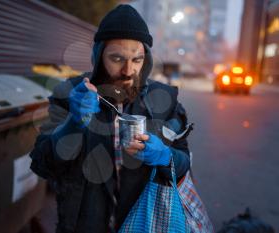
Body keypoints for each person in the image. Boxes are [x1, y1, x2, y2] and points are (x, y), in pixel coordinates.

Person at [30, 4, 193, 233]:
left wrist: (166, 157)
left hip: (146, 224)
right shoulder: (71, 95)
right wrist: (72, 124)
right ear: (98, 56)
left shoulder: (164, 101)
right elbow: (42, 164)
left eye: (136, 60)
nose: (128, 71)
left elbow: (185, 163)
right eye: (117, 58)